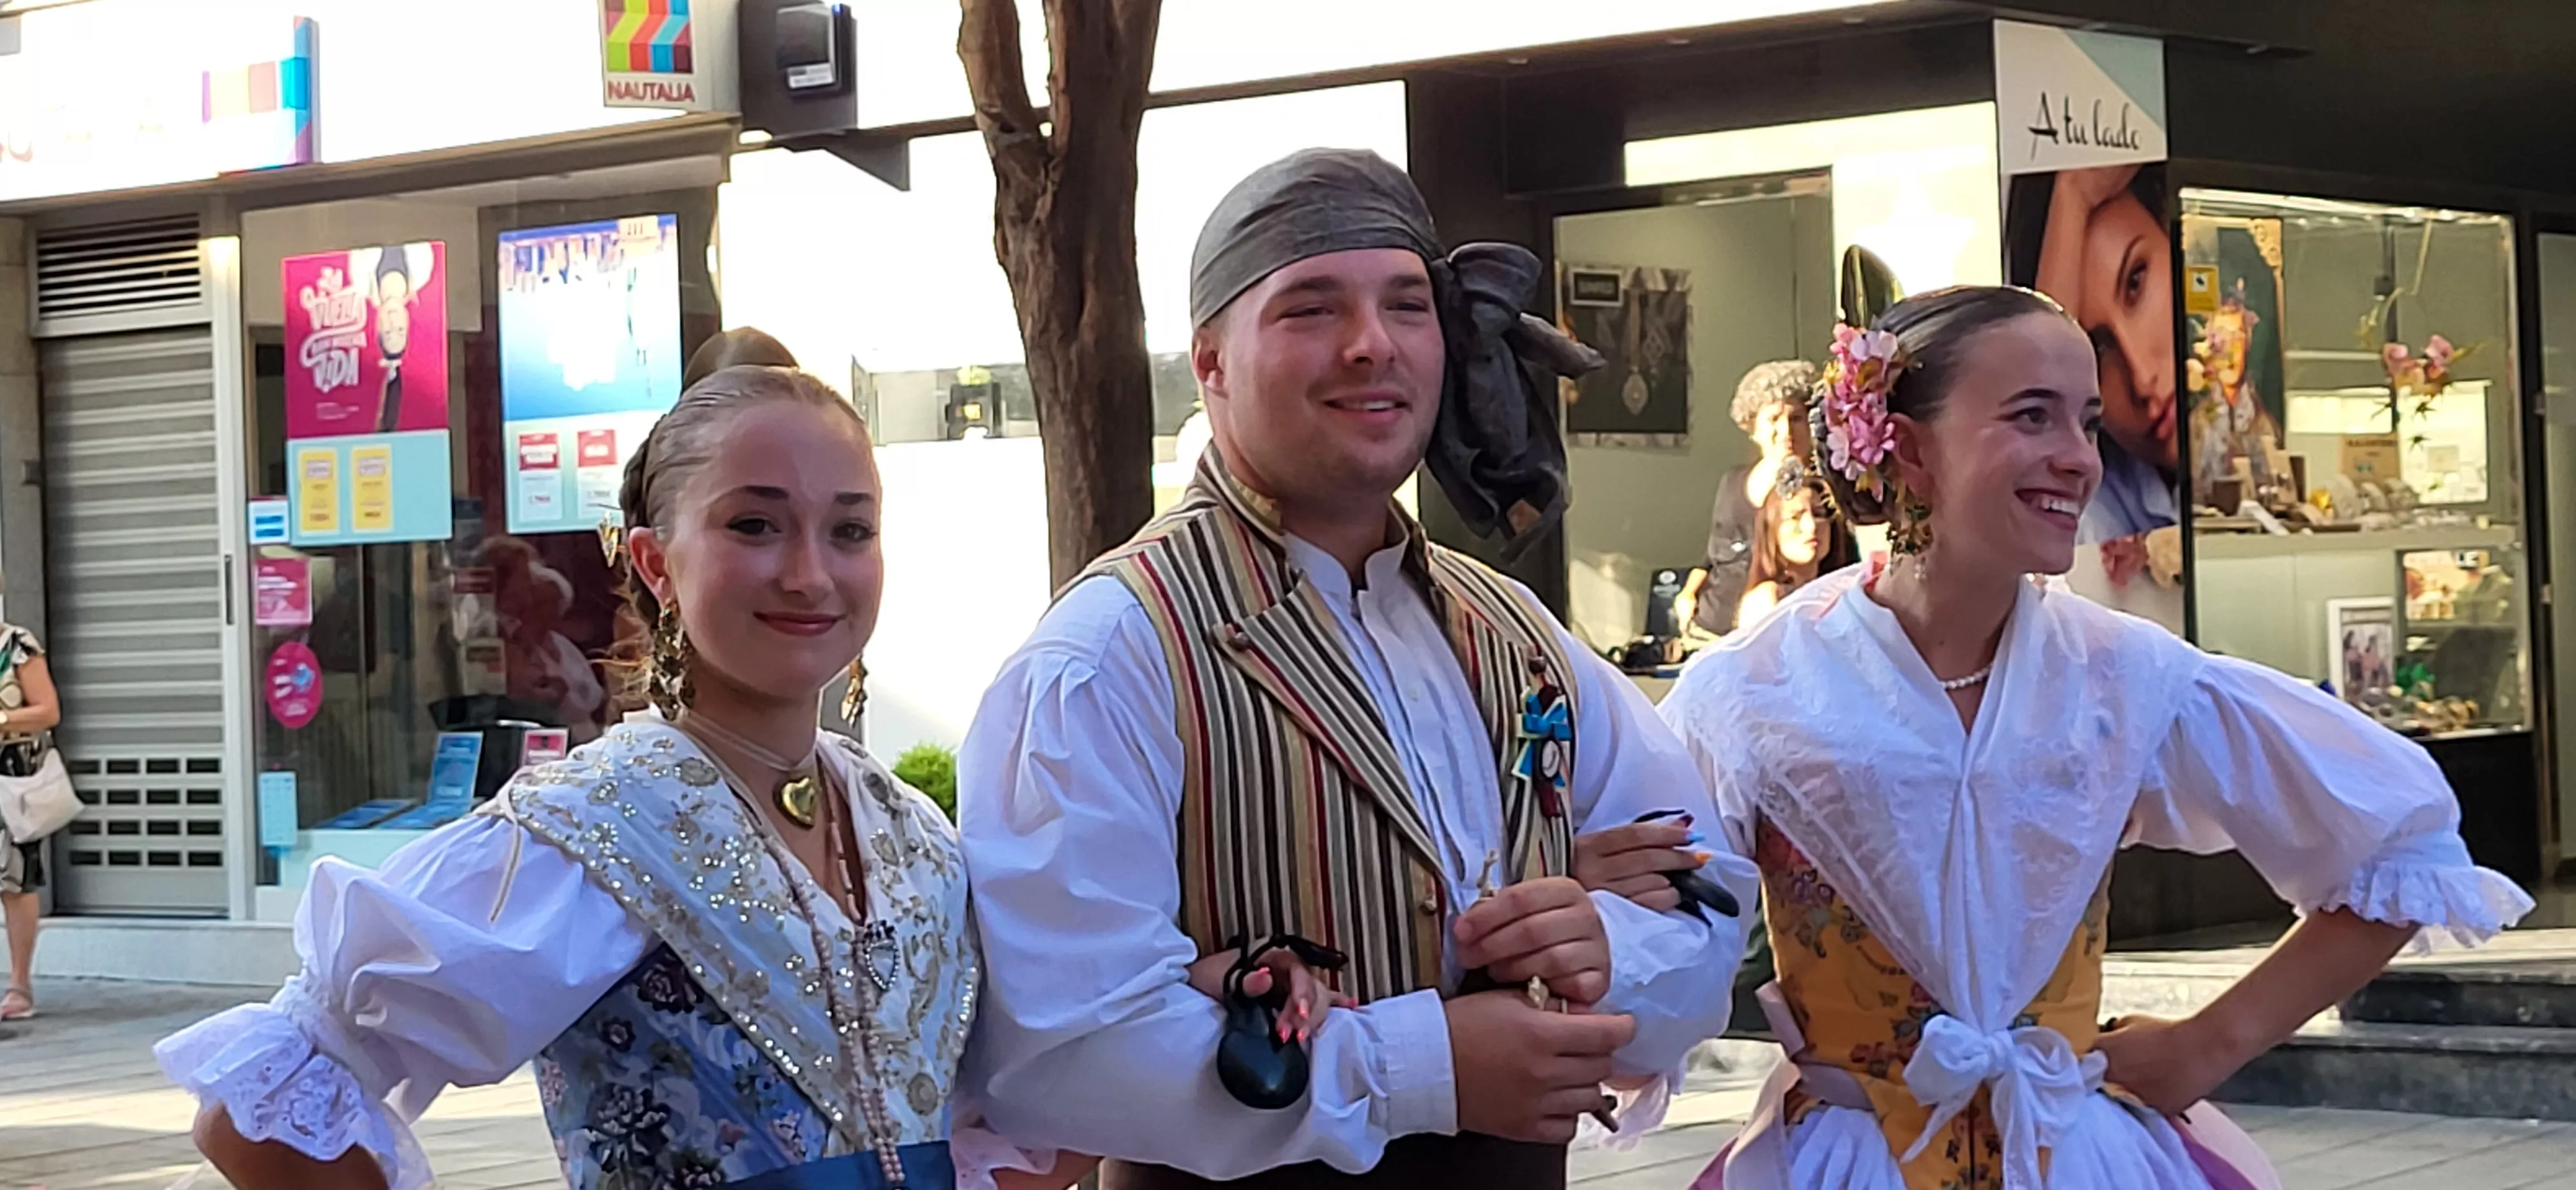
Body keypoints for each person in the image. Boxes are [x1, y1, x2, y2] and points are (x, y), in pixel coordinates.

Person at [958, 147, 1757, 1190]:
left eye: (1407, 305)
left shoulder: (1513, 631)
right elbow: (1062, 1047)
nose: (1372, 343)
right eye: (1310, 308)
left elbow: (1709, 894)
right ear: (1210, 361)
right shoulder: (1113, 653)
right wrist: (1425, 1068)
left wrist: (1605, 945)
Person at [1637, 286, 2529, 1189]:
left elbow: (2401, 834)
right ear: (1906, 446)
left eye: (2088, 425)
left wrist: (2207, 1045)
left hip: (2077, 1153)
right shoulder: (1756, 687)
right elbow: (1650, 921)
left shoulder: (2122, 674)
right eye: (2032, 418)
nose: (2077, 461)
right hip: (1847, 1154)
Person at [156, 366, 1056, 1190]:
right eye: (754, 524)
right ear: (656, 563)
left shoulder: (911, 833)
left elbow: (991, 1129)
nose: (811, 573)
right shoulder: (590, 828)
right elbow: (261, 1112)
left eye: (850, 529)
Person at [2018, 165, 2179, 545]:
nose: (2141, 378)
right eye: (2096, 348)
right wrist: (2071, 197)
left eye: (2135, 283)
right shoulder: (2094, 515)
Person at [1676, 361, 1816, 646]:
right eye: (1773, 419)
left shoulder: (1822, 491)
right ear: (1753, 428)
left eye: (1797, 418)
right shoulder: (1732, 482)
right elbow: (1713, 554)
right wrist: (1687, 594)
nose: (1786, 430)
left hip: (1778, 636)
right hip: (1710, 631)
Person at [0, 617, 61, 1022]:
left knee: (15, 880)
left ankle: (20, 985)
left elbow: (48, 711)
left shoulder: (17, 644)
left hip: (12, 778)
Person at [1731, 472, 1842, 630]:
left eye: (1819, 514)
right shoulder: (1767, 598)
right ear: (1772, 530)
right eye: (1794, 517)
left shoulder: (1841, 588)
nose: (1811, 526)